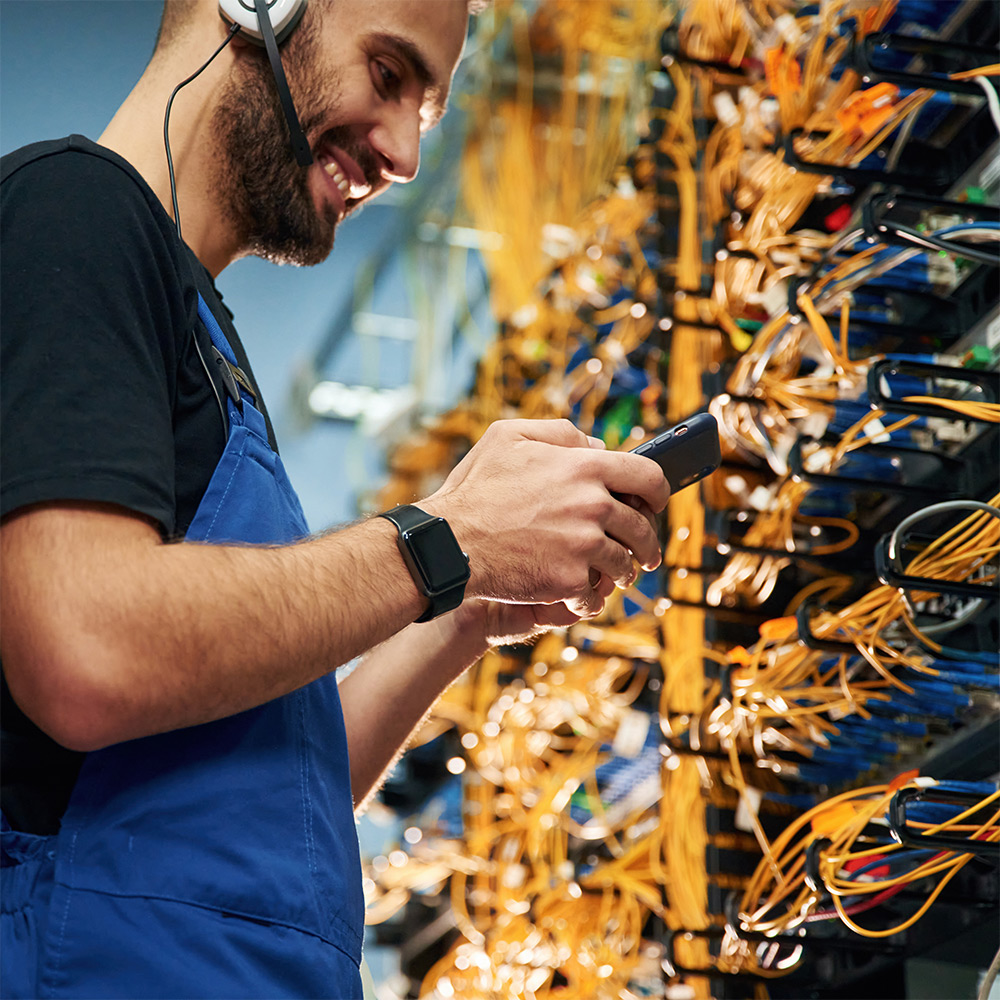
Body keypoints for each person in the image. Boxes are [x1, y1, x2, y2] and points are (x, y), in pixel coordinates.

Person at [0, 1, 671, 996]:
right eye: (389, 74)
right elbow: (86, 652)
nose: (402, 153)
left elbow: (265, 793)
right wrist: (444, 537)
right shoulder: (73, 215)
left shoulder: (205, 340)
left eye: (426, 114)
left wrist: (461, 611)